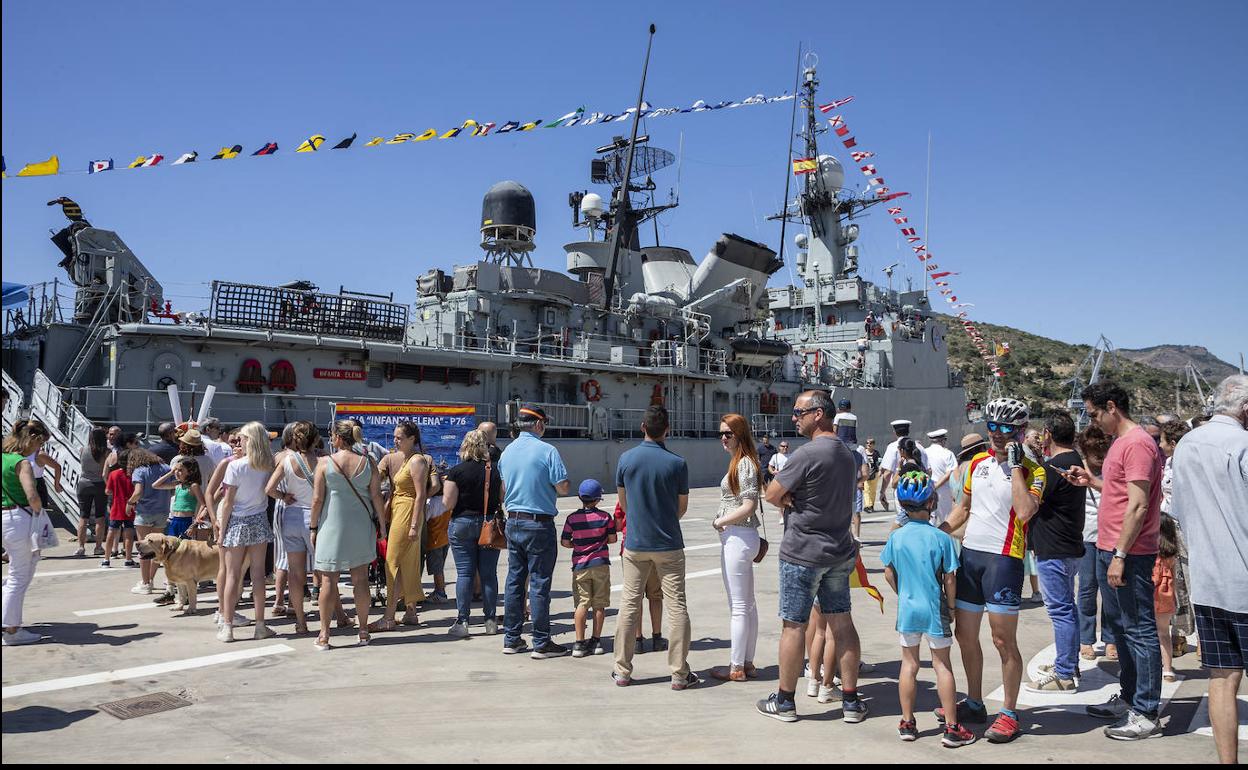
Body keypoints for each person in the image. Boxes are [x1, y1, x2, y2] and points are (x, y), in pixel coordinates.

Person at [938, 396, 1045, 743]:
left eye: (1007, 428)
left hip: (1004, 560)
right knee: (965, 635)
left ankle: (1009, 712)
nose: (998, 433)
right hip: (971, 556)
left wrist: (1015, 467)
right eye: (993, 426)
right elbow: (963, 508)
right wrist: (935, 534)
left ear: (1021, 430)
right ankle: (974, 702)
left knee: (1002, 640)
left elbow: (1025, 512)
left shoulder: (1034, 470)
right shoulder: (977, 463)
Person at [1064, 381, 1165, 740]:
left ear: (1111, 407)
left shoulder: (1136, 443)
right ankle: (1131, 697)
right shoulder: (1122, 443)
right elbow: (1123, 492)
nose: (1093, 422)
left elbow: (1138, 505)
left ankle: (1146, 711)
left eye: (1094, 414)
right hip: (1112, 548)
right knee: (1122, 628)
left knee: (1139, 630)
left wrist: (1120, 555)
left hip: (1130, 552)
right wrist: (1092, 481)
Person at [757, 390, 864, 723]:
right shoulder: (848, 454)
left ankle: (785, 702)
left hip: (803, 553)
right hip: (839, 552)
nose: (794, 418)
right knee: (842, 624)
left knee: (794, 626)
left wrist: (788, 498)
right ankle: (851, 702)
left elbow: (772, 494)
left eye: (798, 412)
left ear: (818, 414)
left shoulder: (806, 454)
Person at [1169, 374, 1248, 764]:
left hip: (1207, 580)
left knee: (1222, 677)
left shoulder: (1186, 444)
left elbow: (1179, 511)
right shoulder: (1242, 444)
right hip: (1243, 579)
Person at [882, 471, 974, 747]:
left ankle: (907, 722)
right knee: (942, 665)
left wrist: (902, 593)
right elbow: (950, 578)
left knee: (909, 664)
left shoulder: (896, 537)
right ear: (932, 503)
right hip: (935, 609)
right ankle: (952, 728)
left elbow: (888, 573)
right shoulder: (941, 538)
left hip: (908, 609)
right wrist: (951, 607)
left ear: (902, 505)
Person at [612, 404, 695, 689]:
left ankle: (622, 670)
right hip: (669, 543)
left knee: (629, 604)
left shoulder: (626, 459)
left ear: (642, 427)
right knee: (677, 606)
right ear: (667, 430)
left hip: (636, 543)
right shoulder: (677, 463)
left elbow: (623, 503)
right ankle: (679, 674)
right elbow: (681, 507)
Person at [499, 405, 571, 659]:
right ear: (539, 424)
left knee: (514, 581)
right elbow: (563, 487)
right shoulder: (547, 450)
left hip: (513, 521)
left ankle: (512, 639)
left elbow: (504, 489)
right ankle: (541, 642)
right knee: (539, 584)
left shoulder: (507, 452)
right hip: (538, 523)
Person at [310, 420, 388, 650]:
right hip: (360, 525)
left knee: (328, 581)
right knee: (360, 579)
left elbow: (317, 500)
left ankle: (324, 634)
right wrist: (382, 526)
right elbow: (377, 497)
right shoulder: (368, 462)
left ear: (337, 437)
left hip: (331, 526)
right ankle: (363, 631)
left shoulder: (325, 463)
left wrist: (313, 528)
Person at [1025, 412, 1087, 693]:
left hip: (1053, 548)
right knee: (1068, 608)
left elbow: (1031, 502)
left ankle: (1064, 674)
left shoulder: (1053, 468)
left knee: (1060, 610)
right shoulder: (1074, 461)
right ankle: (1068, 663)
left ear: (1048, 434)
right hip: (1068, 545)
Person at [709, 414, 762, 682]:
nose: (723, 438)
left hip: (738, 537)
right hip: (743, 537)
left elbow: (749, 505)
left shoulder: (744, 464)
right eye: (721, 433)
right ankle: (746, 662)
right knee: (748, 605)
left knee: (739, 606)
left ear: (739, 435)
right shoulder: (743, 462)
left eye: (728, 434)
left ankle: (736, 667)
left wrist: (721, 521)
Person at [214, 422, 277, 642]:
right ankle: (260, 625)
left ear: (248, 440)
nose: (238, 441)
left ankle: (228, 626)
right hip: (259, 519)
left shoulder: (236, 466)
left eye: (241, 438)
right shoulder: (268, 465)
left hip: (237, 521)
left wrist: (221, 530)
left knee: (232, 574)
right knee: (258, 575)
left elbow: (228, 501)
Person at [371, 422, 432, 632]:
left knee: (393, 563)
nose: (395, 441)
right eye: (395, 437)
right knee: (406, 563)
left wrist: (414, 524)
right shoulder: (408, 459)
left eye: (400, 438)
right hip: (402, 509)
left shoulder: (416, 460)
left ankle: (388, 616)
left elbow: (421, 495)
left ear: (412, 439)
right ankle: (410, 611)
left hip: (407, 512)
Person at [444, 430, 503, 637]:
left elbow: (448, 503)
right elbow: (502, 497)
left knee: (465, 573)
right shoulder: (495, 470)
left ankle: (463, 621)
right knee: (488, 574)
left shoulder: (456, 471)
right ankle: (490, 621)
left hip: (462, 523)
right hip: (489, 524)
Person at [264, 420, 319, 635]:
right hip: (313, 518)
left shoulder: (286, 460)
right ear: (315, 439)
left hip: (291, 516)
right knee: (323, 571)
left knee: (295, 574)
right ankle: (329, 620)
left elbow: (269, 489)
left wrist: (283, 496)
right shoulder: (323, 461)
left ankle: (300, 621)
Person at [2, 420, 50, 646]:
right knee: (19, 577)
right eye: (39, 444)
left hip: (4, 518)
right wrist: (39, 513)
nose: (38, 449)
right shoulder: (22, 463)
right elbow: (32, 495)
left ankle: (9, 621)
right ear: (31, 439)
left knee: (19, 572)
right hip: (20, 519)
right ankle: (11, 630)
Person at [560, 479, 617, 657]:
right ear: (598, 499)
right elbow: (613, 539)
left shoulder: (572, 519)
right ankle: (596, 641)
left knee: (582, 603)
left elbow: (565, 542)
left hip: (580, 565)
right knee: (599, 604)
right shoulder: (605, 517)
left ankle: (579, 643)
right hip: (600, 564)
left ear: (579, 497)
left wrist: (577, 546)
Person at [1075, 426, 1116, 662]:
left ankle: (1110, 639)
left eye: (1103, 454)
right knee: (1087, 588)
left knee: (1110, 590)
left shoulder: (1112, 467)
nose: (1100, 460)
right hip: (1086, 536)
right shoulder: (1077, 468)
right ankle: (1086, 639)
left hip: (1109, 535)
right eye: (1095, 455)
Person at [1158, 419, 1195, 657]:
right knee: (1174, 582)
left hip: (1186, 528)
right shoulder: (1169, 462)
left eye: (1162, 441)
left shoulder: (1190, 465)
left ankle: (1201, 639)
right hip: (1168, 526)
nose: (1159, 445)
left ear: (1173, 443)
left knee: (1190, 581)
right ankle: (1178, 634)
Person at [612, 500, 667, 654]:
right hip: (655, 547)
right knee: (655, 596)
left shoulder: (625, 497)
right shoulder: (657, 494)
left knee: (635, 596)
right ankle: (657, 638)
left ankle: (638, 640)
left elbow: (617, 525)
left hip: (631, 549)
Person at [127, 449, 172, 594]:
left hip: (145, 512)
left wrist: (130, 503)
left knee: (143, 548)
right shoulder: (166, 468)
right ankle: (151, 579)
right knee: (156, 549)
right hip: (162, 511)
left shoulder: (139, 470)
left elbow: (138, 492)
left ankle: (145, 583)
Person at [74, 427, 110, 557]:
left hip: (84, 484)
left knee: (83, 517)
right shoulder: (106, 452)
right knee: (100, 517)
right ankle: (98, 547)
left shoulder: (82, 450)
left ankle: (81, 547)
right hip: (100, 484)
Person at [1153, 516, 1179, 682]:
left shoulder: (1149, 549)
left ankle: (1149, 666)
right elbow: (1174, 578)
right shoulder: (1171, 553)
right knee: (1164, 633)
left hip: (1150, 593)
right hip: (1165, 595)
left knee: (1145, 633)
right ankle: (1168, 669)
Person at [103, 449, 137, 567]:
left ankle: (106, 559)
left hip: (116, 507)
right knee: (129, 533)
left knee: (111, 532)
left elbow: (107, 491)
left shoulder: (114, 474)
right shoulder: (134, 474)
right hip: (130, 507)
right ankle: (128, 559)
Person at [879, 419, 923, 511]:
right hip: (919, 489)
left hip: (902, 490)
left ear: (894, 432)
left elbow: (887, 473)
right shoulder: (919, 446)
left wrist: (882, 492)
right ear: (908, 430)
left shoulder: (892, 447)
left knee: (903, 517)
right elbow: (928, 470)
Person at [924, 429, 959, 526]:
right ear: (943, 440)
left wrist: (931, 486)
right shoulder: (948, 453)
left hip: (927, 489)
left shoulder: (924, 452)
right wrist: (936, 486)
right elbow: (950, 473)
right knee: (946, 520)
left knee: (930, 519)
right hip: (944, 490)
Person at [862, 438, 882, 512]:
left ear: (873, 444)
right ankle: (868, 505)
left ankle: (871, 505)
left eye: (870, 443)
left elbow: (879, 462)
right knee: (866, 490)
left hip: (874, 473)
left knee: (873, 490)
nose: (868, 444)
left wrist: (880, 471)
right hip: (866, 473)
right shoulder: (863, 453)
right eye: (867, 443)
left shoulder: (876, 453)